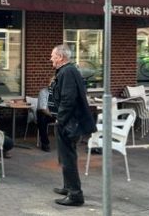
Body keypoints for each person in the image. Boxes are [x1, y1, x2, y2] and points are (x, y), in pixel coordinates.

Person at [49, 44, 96, 206]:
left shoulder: (67, 71)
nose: (51, 59)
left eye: (53, 56)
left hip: (69, 122)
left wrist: (60, 119)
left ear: (61, 57)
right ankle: (68, 187)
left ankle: (75, 195)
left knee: (68, 157)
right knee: (66, 155)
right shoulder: (68, 70)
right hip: (69, 121)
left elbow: (68, 99)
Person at [37, 85, 56, 152]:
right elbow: (43, 109)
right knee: (42, 117)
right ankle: (45, 143)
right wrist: (54, 115)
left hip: (59, 113)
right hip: (48, 114)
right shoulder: (43, 92)